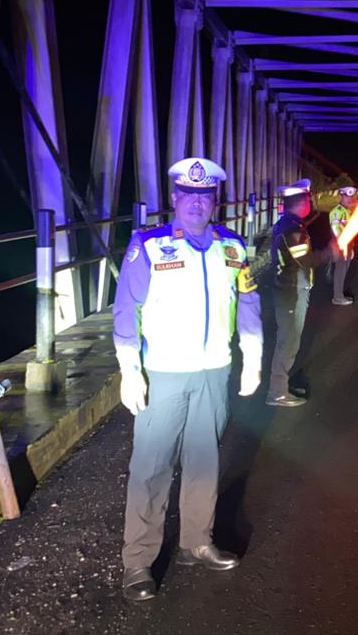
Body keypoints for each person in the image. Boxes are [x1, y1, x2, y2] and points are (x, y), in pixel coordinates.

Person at [112, 157, 262, 603]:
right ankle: (137, 561)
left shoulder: (233, 247)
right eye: (188, 195)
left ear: (215, 200)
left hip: (214, 371)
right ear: (174, 198)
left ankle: (198, 539)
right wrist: (129, 371)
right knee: (151, 467)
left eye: (205, 195)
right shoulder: (150, 246)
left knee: (204, 460)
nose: (197, 203)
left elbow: (249, 307)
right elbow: (126, 312)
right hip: (164, 372)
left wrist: (251, 360)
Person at [267, 178, 332, 407]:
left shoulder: (289, 222)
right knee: (289, 342)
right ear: (302, 201)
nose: (311, 201)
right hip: (291, 291)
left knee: (288, 341)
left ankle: (280, 386)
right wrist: (328, 252)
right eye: (309, 198)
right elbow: (306, 259)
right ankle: (277, 393)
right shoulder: (293, 227)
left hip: (289, 288)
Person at [328, 186, 358, 306]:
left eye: (351, 197)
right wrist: (345, 248)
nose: (349, 199)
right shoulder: (337, 211)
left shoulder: (347, 211)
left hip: (347, 245)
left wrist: (352, 247)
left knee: (343, 270)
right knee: (340, 271)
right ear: (341, 196)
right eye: (347, 196)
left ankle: (339, 294)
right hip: (341, 246)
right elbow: (336, 231)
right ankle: (338, 297)